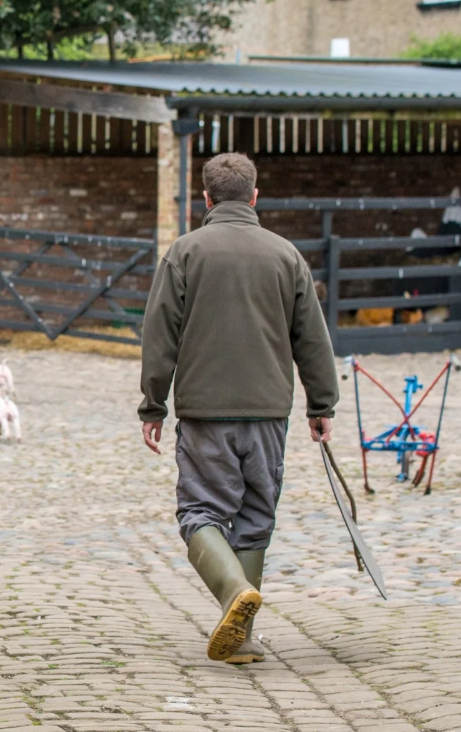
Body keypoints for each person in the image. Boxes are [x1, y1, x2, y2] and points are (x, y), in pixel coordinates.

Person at [138, 152, 338, 664]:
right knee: (254, 518)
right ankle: (242, 638)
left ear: (205, 198)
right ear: (255, 196)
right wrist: (322, 403)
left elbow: (159, 334)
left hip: (206, 413)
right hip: (269, 413)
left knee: (200, 511)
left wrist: (153, 404)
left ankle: (233, 596)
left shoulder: (184, 253)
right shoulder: (286, 255)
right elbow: (311, 337)